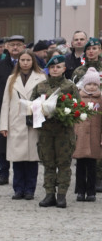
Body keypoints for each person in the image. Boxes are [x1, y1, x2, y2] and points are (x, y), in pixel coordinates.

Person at [32, 55, 81, 208]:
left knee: (64, 163)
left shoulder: (69, 86)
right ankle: (49, 194)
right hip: (46, 132)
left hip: (64, 132)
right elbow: (32, 106)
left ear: (64, 69)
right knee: (48, 163)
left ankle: (61, 195)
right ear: (48, 69)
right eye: (52, 67)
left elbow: (78, 107)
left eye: (58, 67)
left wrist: (66, 113)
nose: (55, 69)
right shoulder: (40, 87)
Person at [0, 49, 45, 200]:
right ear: (18, 62)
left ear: (33, 61)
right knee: (17, 159)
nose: (25, 63)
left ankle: (30, 189)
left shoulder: (41, 77)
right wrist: (4, 125)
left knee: (32, 159)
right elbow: (5, 102)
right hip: (16, 121)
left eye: (28, 60)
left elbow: (45, 99)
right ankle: (18, 189)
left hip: (33, 120)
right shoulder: (12, 78)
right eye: (22, 60)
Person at [0, 35, 27, 186]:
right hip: (4, 108)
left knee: (21, 140)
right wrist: (2, 101)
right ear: (7, 47)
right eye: (12, 45)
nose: (15, 48)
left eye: (18, 45)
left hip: (23, 108)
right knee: (2, 142)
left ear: (23, 47)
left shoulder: (28, 64)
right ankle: (3, 173)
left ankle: (22, 173)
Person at [73, 68, 101, 202]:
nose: (92, 87)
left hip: (95, 136)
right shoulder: (78, 97)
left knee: (92, 166)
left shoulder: (100, 99)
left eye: (95, 84)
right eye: (89, 84)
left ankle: (91, 192)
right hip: (80, 136)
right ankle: (80, 190)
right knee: (80, 165)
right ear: (84, 84)